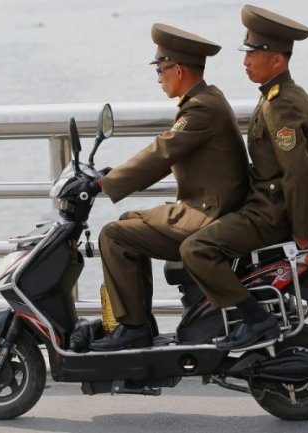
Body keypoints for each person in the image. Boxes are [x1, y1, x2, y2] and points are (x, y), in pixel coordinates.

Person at [84, 23, 250, 351]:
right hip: (207, 206)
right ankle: (136, 321)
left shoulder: (201, 109)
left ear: (178, 69)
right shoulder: (206, 99)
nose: (158, 78)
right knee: (127, 221)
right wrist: (110, 177)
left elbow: (162, 152)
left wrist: (105, 183)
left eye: (160, 70)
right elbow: (165, 149)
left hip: (209, 215)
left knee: (113, 236)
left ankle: (132, 328)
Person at [180, 4, 308, 350]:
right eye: (245, 53)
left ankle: (256, 319)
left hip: (268, 213)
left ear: (277, 60)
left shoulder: (280, 105)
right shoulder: (280, 96)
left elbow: (297, 173)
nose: (245, 61)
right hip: (263, 204)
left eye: (253, 54)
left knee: (195, 249)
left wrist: (301, 232)